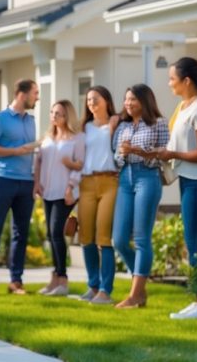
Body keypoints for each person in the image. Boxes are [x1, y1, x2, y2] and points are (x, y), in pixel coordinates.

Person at [157, 56, 197, 320]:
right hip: (190, 181)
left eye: (172, 78)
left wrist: (173, 153)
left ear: (186, 81)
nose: (169, 83)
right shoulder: (184, 107)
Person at [0, 79, 40, 297]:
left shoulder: (32, 121)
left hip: (26, 182)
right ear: (22, 95)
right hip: (2, 179)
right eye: (35, 93)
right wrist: (16, 151)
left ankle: (16, 281)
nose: (37, 97)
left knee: (21, 233)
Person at [112, 84, 169, 309]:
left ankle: (135, 295)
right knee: (119, 240)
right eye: (126, 99)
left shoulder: (159, 124)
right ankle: (140, 288)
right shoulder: (123, 127)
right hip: (126, 177)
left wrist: (138, 152)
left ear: (145, 102)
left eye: (133, 99)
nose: (128, 103)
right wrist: (123, 154)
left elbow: (164, 154)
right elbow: (117, 158)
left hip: (148, 177)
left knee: (142, 238)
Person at [33, 100, 84, 297]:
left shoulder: (76, 139)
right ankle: (55, 278)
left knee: (56, 232)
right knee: (50, 234)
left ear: (67, 116)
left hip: (66, 192)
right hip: (48, 191)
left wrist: (71, 187)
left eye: (59, 113)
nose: (54, 116)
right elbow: (38, 162)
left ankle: (63, 280)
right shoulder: (47, 138)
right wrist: (36, 183)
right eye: (52, 112)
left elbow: (81, 164)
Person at [77, 86, 120, 305]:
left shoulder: (117, 122)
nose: (91, 103)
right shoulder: (84, 128)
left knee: (104, 238)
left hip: (110, 182)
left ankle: (105, 290)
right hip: (86, 182)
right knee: (86, 237)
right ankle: (93, 286)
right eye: (88, 100)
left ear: (106, 100)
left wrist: (113, 128)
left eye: (95, 99)